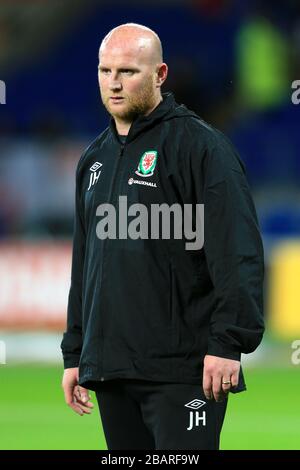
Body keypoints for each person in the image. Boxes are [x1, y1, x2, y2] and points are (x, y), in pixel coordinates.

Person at [61, 23, 265, 450]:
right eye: (105, 71)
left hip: (183, 370)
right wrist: (76, 352)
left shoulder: (202, 148)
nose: (113, 84)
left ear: (160, 74)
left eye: (128, 72)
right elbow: (86, 263)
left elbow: (237, 252)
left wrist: (228, 343)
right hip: (113, 369)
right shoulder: (93, 159)